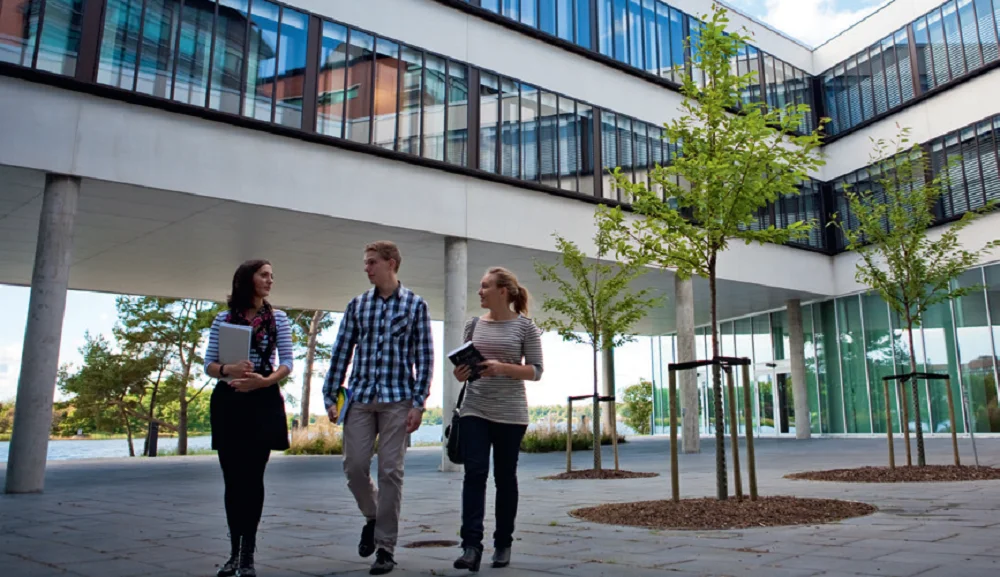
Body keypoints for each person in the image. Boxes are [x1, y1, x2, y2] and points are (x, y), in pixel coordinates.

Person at [323, 241, 433, 576]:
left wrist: (419, 403)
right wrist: (330, 396)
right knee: (354, 467)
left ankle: (385, 548)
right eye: (365, 263)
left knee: (390, 472)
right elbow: (342, 351)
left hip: (398, 400)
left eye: (372, 262)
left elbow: (424, 358)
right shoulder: (357, 306)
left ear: (391, 263)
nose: (367, 268)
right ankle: (373, 517)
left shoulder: (415, 305)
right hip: (359, 399)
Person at [204, 259, 294, 577]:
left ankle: (247, 555)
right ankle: (233, 553)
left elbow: (287, 363)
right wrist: (228, 370)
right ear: (247, 279)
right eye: (264, 275)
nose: (270, 280)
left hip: (263, 400)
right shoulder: (222, 320)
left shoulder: (278, 319)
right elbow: (209, 364)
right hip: (228, 402)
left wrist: (264, 381)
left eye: (272, 275)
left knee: (253, 480)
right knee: (233, 481)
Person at [452, 267, 544, 572]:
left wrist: (502, 368)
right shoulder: (473, 325)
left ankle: (503, 542)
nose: (479, 291)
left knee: (505, 478)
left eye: (485, 286)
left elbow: (536, 371)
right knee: (474, 473)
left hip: (511, 414)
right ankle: (471, 546)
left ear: (502, 291)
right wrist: (461, 372)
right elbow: (463, 367)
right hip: (475, 408)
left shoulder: (525, 328)